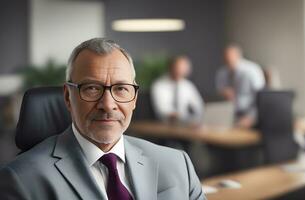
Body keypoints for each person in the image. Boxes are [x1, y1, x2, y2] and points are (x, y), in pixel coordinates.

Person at [0, 38, 206, 200]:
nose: (108, 104)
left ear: (134, 98)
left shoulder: (177, 164)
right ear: (67, 97)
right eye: (91, 88)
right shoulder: (20, 180)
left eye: (121, 89)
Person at [216, 45, 265, 128]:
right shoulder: (222, 73)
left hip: (250, 115)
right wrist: (223, 93)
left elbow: (261, 97)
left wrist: (252, 117)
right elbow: (219, 91)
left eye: (230, 57)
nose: (228, 60)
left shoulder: (252, 70)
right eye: (225, 58)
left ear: (238, 56)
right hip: (230, 115)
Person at [151, 56, 204, 125]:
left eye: (184, 68)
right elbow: (162, 110)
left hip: (186, 123)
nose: (181, 70)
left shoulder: (188, 85)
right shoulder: (159, 85)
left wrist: (194, 119)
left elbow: (199, 106)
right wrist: (178, 116)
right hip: (164, 124)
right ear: (171, 67)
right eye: (179, 67)